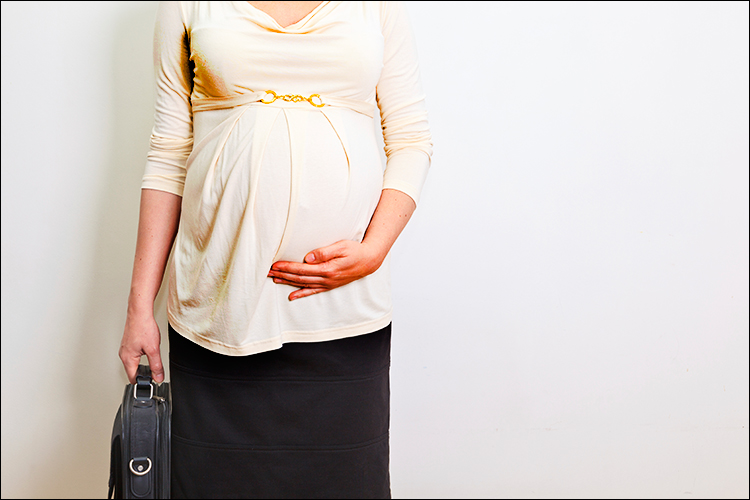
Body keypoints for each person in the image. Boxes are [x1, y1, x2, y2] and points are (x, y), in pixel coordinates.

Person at [119, 1, 432, 497]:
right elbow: (169, 152)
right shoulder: (187, 4)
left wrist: (375, 249)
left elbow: (412, 138)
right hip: (221, 306)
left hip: (341, 309)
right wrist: (140, 306)